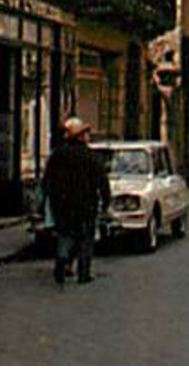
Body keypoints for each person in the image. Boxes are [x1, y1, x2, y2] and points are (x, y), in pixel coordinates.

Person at [42, 116, 110, 286]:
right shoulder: (90, 156)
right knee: (85, 238)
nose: (88, 136)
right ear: (80, 136)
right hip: (86, 204)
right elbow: (102, 180)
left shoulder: (57, 155)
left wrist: (49, 199)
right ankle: (83, 273)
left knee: (65, 235)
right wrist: (106, 200)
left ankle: (61, 264)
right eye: (85, 133)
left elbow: (47, 179)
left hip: (62, 204)